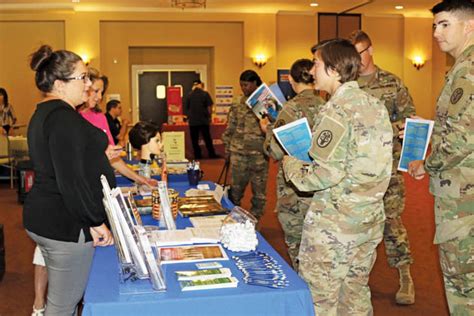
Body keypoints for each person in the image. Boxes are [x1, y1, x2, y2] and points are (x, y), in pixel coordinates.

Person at [283, 39, 393, 315]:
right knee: (355, 293)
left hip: (335, 224)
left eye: (317, 64)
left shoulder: (336, 110)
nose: (312, 71)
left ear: (333, 70)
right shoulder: (373, 104)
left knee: (321, 299)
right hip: (368, 218)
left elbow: (323, 175)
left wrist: (291, 166)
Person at [24, 45, 116, 315]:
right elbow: (71, 181)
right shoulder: (62, 118)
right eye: (83, 77)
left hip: (49, 216)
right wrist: (94, 221)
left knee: (61, 300)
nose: (88, 84)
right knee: (62, 306)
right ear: (59, 84)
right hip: (64, 224)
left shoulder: (48, 113)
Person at [407, 1, 473, 314]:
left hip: (463, 201)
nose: (436, 32)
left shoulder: (467, 72)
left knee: (463, 287)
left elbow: (460, 138)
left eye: (445, 24)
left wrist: (426, 164)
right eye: (435, 25)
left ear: (469, 26)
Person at [349, 29, 417, 305]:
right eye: (352, 55)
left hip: (387, 169)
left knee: (392, 222)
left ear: (371, 50)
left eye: (361, 53)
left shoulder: (392, 83)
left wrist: (410, 154)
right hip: (355, 171)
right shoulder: (347, 86)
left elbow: (409, 119)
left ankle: (406, 276)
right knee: (356, 224)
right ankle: (355, 279)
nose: (357, 59)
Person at [260, 59, 325, 270]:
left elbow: (274, 151)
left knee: (298, 248)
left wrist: (267, 130)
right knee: (321, 245)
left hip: (296, 190)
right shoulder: (328, 106)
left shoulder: (290, 109)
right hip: (323, 186)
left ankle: (306, 294)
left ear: (290, 79)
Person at [222, 70, 269, 220]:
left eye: (246, 85)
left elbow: (273, 126)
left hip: (259, 154)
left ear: (256, 83)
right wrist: (227, 148)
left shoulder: (266, 101)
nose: (244, 88)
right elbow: (230, 126)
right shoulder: (237, 102)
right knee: (235, 190)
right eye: (241, 85)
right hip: (238, 153)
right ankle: (233, 218)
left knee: (259, 193)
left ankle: (256, 221)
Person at [184, 79, 218, 159]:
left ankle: (197, 155)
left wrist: (189, 117)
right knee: (207, 138)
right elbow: (209, 107)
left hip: (193, 122)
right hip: (203, 120)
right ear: (201, 85)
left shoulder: (189, 95)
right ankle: (211, 154)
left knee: (194, 140)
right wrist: (209, 117)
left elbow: (187, 109)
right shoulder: (205, 94)